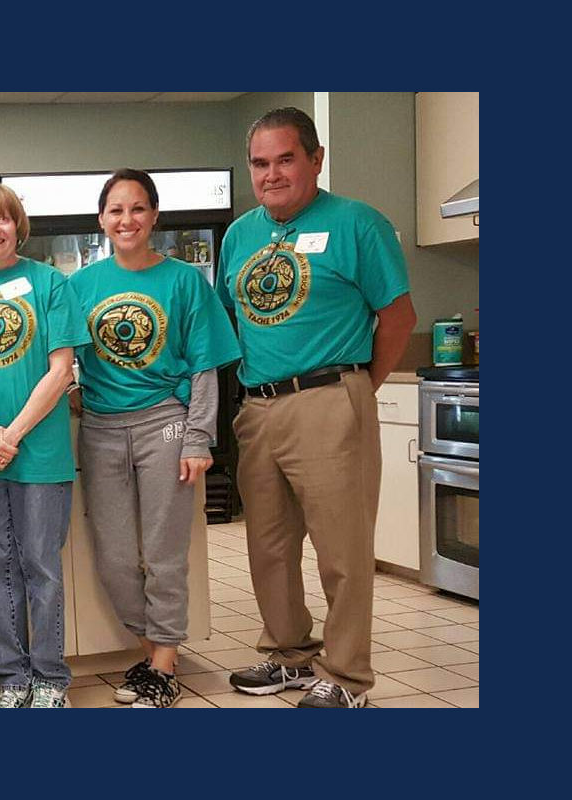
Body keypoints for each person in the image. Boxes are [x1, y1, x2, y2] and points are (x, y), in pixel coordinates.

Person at [218, 107, 417, 708]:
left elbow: (398, 318)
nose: (272, 174)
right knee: (268, 549)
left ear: (315, 159)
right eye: (260, 163)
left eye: (285, 159)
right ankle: (288, 655)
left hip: (331, 398)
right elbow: (234, 321)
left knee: (342, 552)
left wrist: (357, 389)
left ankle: (347, 675)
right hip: (258, 407)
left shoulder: (359, 224)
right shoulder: (240, 235)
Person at [69, 169, 241, 708]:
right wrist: (75, 392)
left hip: (164, 423)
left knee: (165, 552)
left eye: (138, 208)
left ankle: (163, 668)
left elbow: (205, 366)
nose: (127, 219)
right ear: (101, 219)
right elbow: (64, 357)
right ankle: (157, 649)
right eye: (116, 210)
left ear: (155, 217)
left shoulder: (185, 281)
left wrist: (198, 438)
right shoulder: (81, 286)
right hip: (99, 427)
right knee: (115, 556)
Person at [0, 184, 91, 709]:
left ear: (19, 227)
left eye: (4, 219)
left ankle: (50, 678)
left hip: (39, 455)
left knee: (40, 566)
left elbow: (61, 370)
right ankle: (12, 678)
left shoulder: (51, 285)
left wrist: (11, 436)